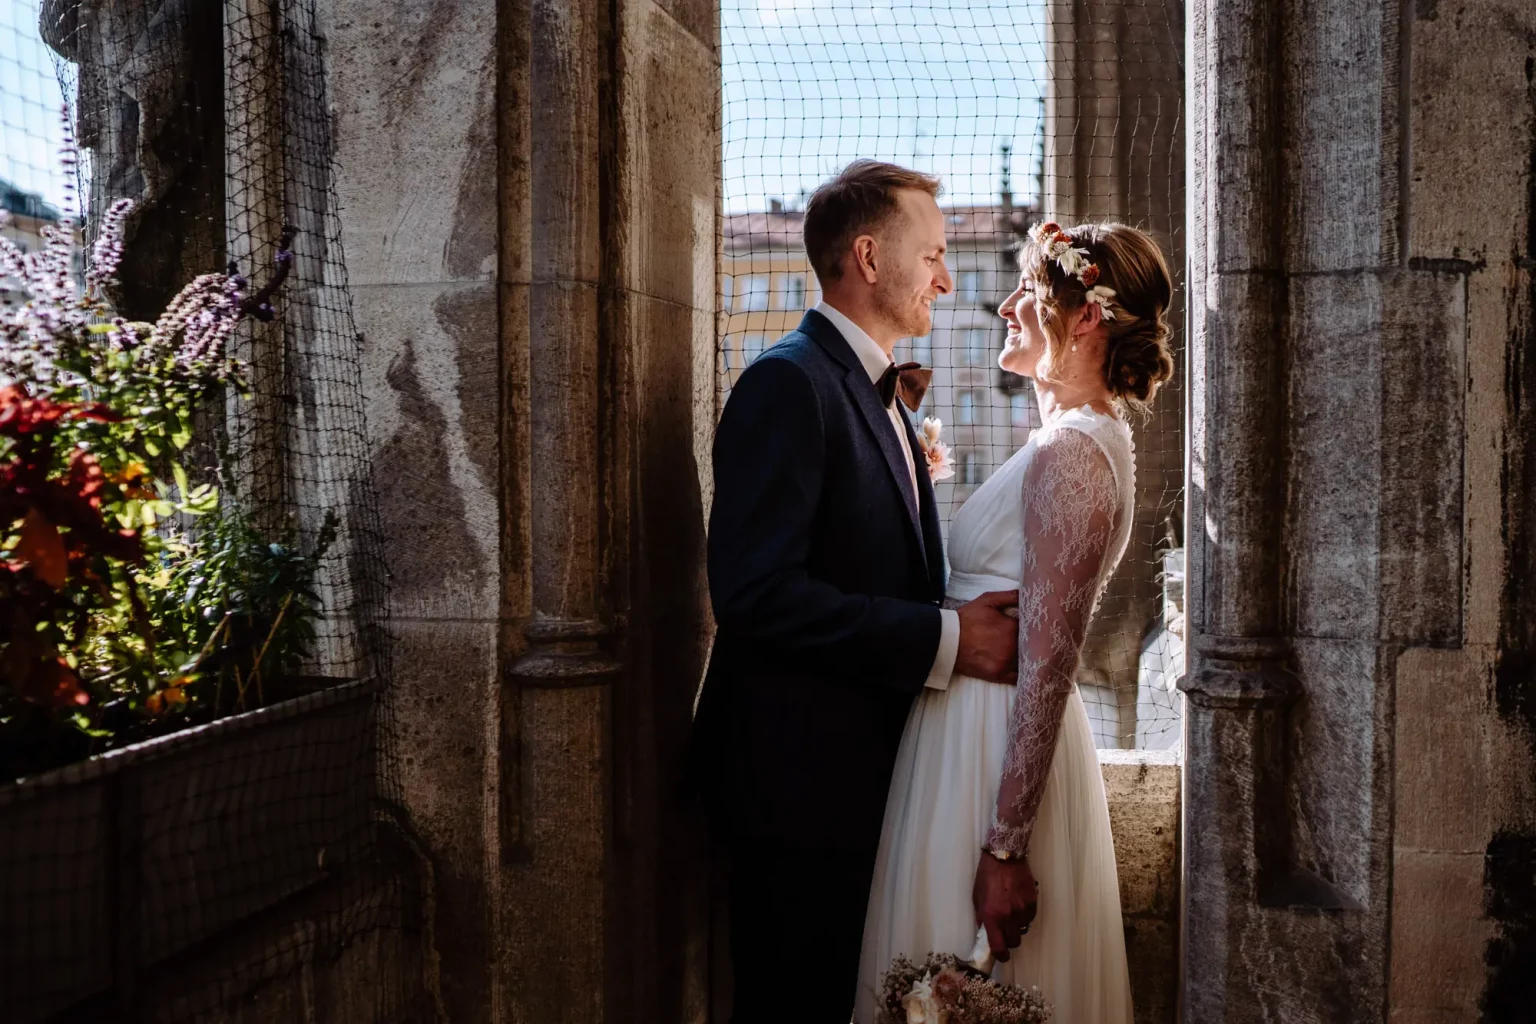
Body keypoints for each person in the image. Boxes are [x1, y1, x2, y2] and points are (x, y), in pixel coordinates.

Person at [689, 160, 1021, 1023]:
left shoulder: (880, 397)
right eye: (934, 256)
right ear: (869, 259)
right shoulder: (787, 384)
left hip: (863, 796)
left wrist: (943, 616)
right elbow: (756, 595)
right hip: (795, 803)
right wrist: (946, 643)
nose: (948, 280)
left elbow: (861, 574)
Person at [854, 221, 1176, 1024]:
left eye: (1028, 292)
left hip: (989, 755)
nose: (1004, 306)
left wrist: (1003, 849)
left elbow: (1048, 665)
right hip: (967, 739)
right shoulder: (1070, 441)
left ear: (1088, 320)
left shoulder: (1072, 453)